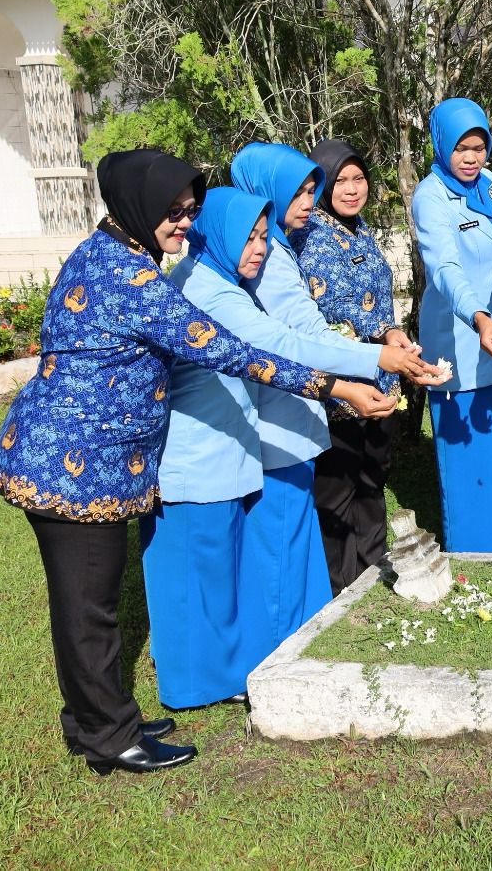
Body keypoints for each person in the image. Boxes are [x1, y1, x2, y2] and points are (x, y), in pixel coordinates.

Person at [0, 149, 337, 775]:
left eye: (190, 212)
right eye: (172, 213)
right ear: (138, 207)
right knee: (89, 607)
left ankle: (98, 714)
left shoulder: (111, 253)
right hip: (73, 465)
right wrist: (330, 385)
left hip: (78, 458)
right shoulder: (129, 277)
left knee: (86, 603)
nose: (183, 224)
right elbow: (226, 349)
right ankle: (107, 737)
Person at [148, 187, 415, 708]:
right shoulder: (213, 292)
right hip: (195, 455)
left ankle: (217, 679)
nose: (257, 249)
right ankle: (192, 686)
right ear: (217, 234)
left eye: (261, 237)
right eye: (245, 237)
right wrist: (370, 362)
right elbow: (282, 344)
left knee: (215, 572)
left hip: (223, 449)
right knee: (192, 578)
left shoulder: (220, 281)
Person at [230, 142, 391, 661]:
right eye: (307, 188)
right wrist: (367, 362)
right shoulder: (280, 248)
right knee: (318, 509)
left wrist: (386, 341)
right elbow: (298, 331)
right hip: (318, 388)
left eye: (309, 189)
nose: (313, 199)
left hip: (347, 378)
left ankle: (352, 595)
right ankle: (315, 622)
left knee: (355, 493)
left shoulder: (296, 240)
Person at [292, 138, 411, 592]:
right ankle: (342, 586)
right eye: (340, 180)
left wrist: (390, 336)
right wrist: (383, 330)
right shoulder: (311, 234)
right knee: (338, 490)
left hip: (380, 374)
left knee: (371, 480)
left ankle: (374, 570)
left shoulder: (360, 228)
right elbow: (329, 304)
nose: (351, 188)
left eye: (358, 178)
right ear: (322, 186)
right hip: (342, 383)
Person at [411, 97, 492, 551]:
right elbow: (445, 268)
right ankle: (475, 558)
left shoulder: (489, 185)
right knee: (469, 468)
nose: (473, 158)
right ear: (441, 146)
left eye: (480, 147)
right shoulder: (430, 196)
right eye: (462, 149)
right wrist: (478, 316)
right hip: (459, 344)